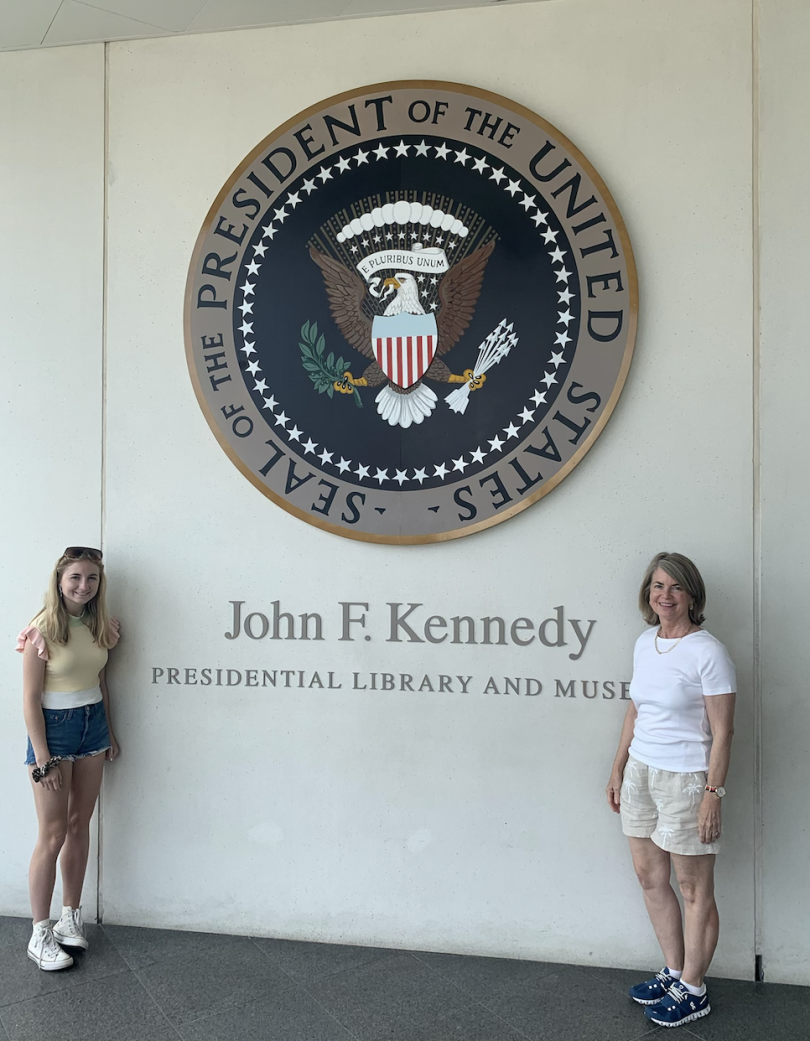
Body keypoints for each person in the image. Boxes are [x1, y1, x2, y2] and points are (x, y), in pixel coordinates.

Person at [606, 551, 736, 1028]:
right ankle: (675, 971)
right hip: (641, 771)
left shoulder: (709, 651)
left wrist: (712, 794)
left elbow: (724, 732)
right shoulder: (645, 642)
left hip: (686, 781)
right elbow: (636, 710)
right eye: (658, 586)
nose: (665, 596)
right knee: (649, 878)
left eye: (675, 587)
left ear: (692, 595)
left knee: (693, 888)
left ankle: (695, 990)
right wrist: (618, 765)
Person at [17, 547, 120, 970]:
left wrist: (109, 731)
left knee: (81, 824)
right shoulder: (41, 630)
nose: (83, 586)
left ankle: (69, 918)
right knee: (53, 832)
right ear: (59, 580)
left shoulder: (100, 626)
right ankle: (39, 933)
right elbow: (29, 699)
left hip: (92, 725)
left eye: (92, 578)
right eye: (75, 577)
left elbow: (100, 680)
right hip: (54, 733)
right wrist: (43, 758)